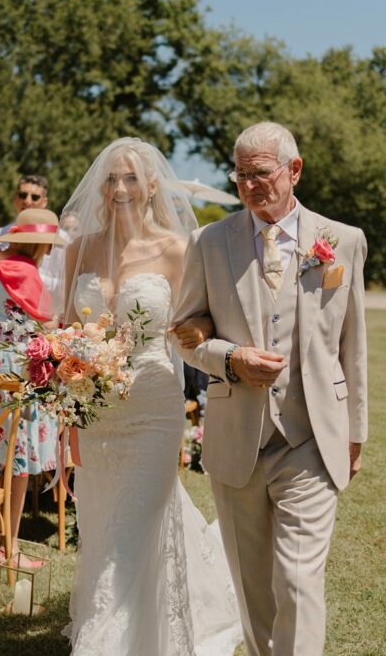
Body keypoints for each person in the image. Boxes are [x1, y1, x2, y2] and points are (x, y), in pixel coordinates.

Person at [172, 122, 367, 656]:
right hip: (238, 442)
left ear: (294, 170)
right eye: (242, 177)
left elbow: (353, 345)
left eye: (262, 173)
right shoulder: (209, 243)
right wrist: (230, 359)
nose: (252, 186)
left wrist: (356, 434)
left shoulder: (342, 242)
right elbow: (185, 330)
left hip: (312, 440)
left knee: (300, 585)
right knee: (253, 591)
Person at [61, 137, 241, 655]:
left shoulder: (175, 248)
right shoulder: (81, 248)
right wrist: (70, 408)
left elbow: (200, 322)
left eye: (131, 178)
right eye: (112, 178)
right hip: (95, 410)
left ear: (154, 184)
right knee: (102, 519)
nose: (120, 188)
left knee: (140, 516)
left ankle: (121, 640)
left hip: (154, 402)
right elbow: (69, 332)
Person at [0, 208, 59, 567]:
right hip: (16, 366)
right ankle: (9, 547)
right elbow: (45, 321)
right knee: (16, 460)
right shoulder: (24, 271)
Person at [0, 174, 65, 306]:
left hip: (51, 309)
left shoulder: (63, 239)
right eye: (23, 195)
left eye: (35, 197)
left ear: (44, 202)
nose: (27, 201)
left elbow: (68, 282)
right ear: (16, 198)